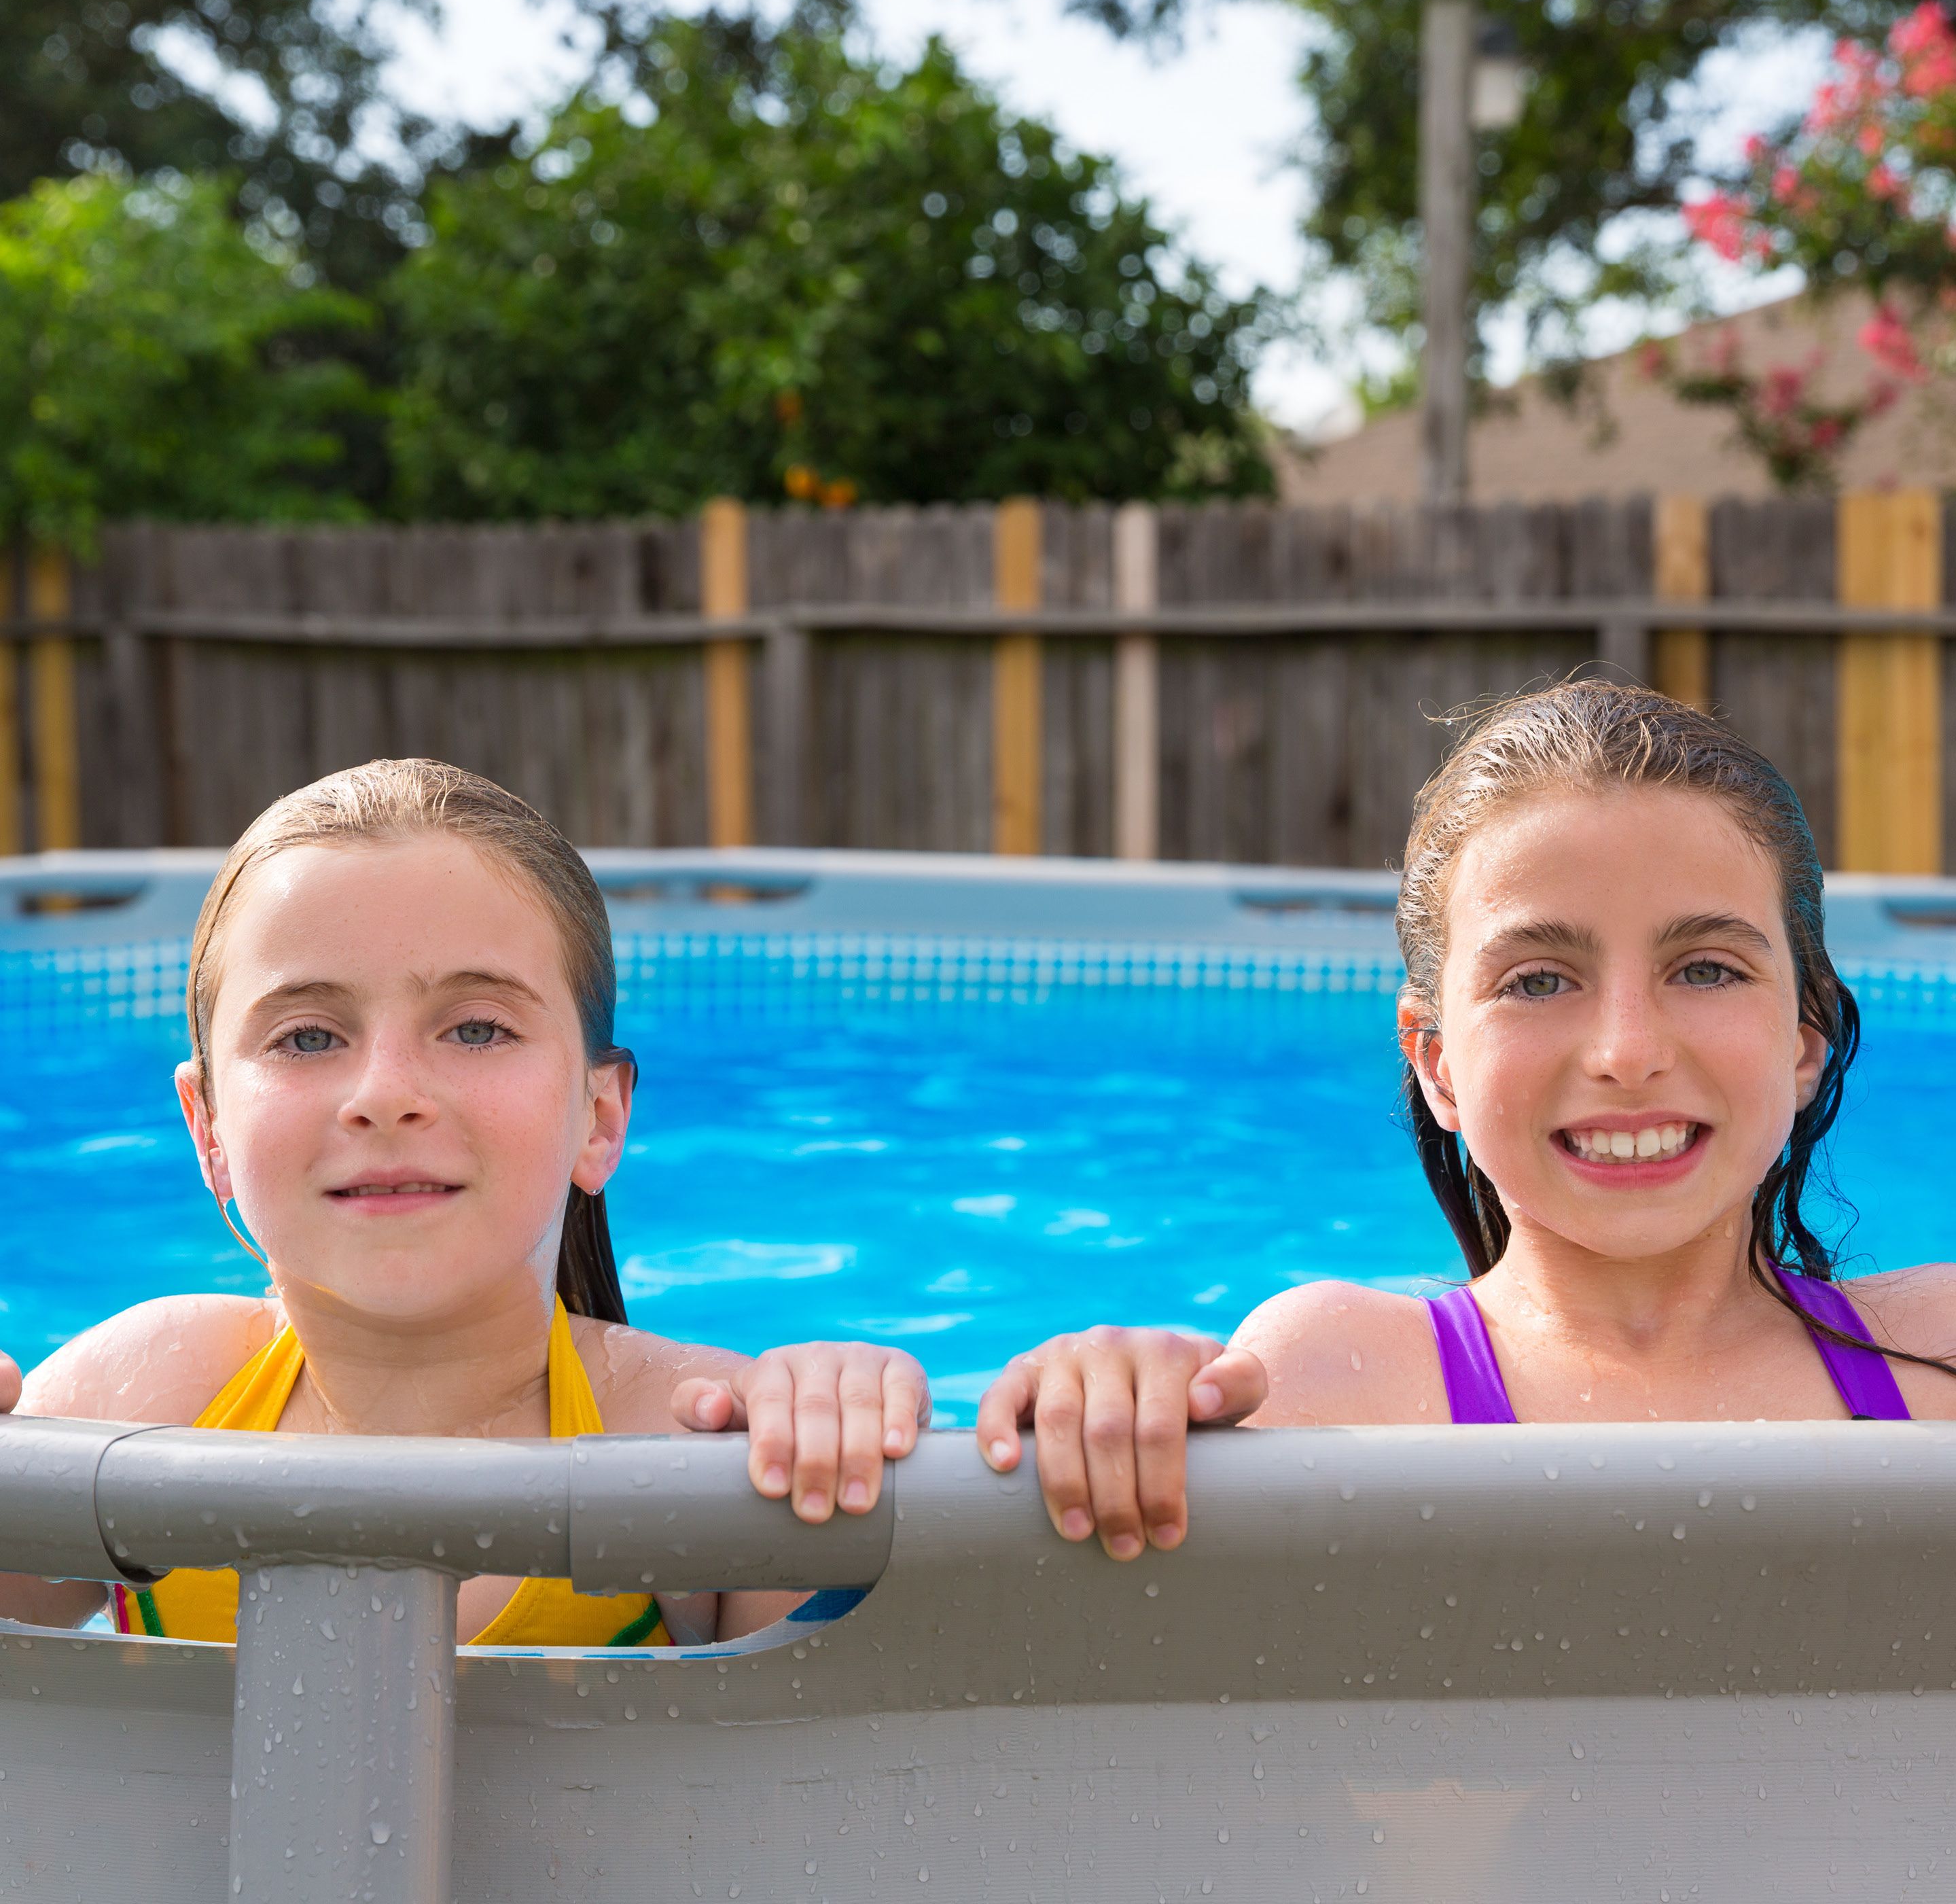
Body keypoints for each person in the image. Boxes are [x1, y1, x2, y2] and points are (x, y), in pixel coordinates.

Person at [979, 680, 1956, 1557]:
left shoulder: (1939, 1356)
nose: (1626, 1050)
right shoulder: (1334, 1382)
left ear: (1803, 1038)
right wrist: (1098, 1406)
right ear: (1436, 1063)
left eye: (1705, 968)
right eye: (1538, 981)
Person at [0, 760, 927, 1645]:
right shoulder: (146, 1395)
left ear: (598, 1118)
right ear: (208, 1131)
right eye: (308, 1036)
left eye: (477, 1028)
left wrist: (1037, 1425)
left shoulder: (705, 1434)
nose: (385, 1091)